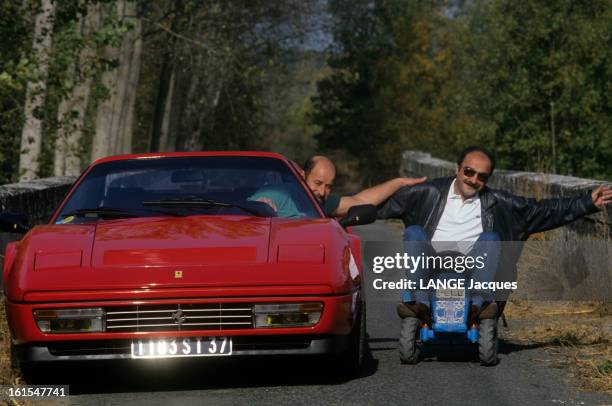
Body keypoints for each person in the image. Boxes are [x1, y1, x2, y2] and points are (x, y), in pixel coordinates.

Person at [377, 146, 612, 324]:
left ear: (488, 179)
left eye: (482, 176)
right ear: (457, 169)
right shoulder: (426, 192)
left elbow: (544, 211)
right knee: (414, 232)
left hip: (474, 267)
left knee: (491, 238)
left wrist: (587, 202)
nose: (474, 180)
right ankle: (419, 303)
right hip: (431, 264)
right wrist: (343, 214)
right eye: (469, 172)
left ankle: (479, 305)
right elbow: (378, 205)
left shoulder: (500, 203)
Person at [250, 155, 427, 218]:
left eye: (329, 186)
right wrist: (260, 206)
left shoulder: (321, 204)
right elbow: (253, 207)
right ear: (301, 176)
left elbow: (361, 200)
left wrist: (399, 182)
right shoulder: (278, 194)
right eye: (318, 183)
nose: (322, 192)